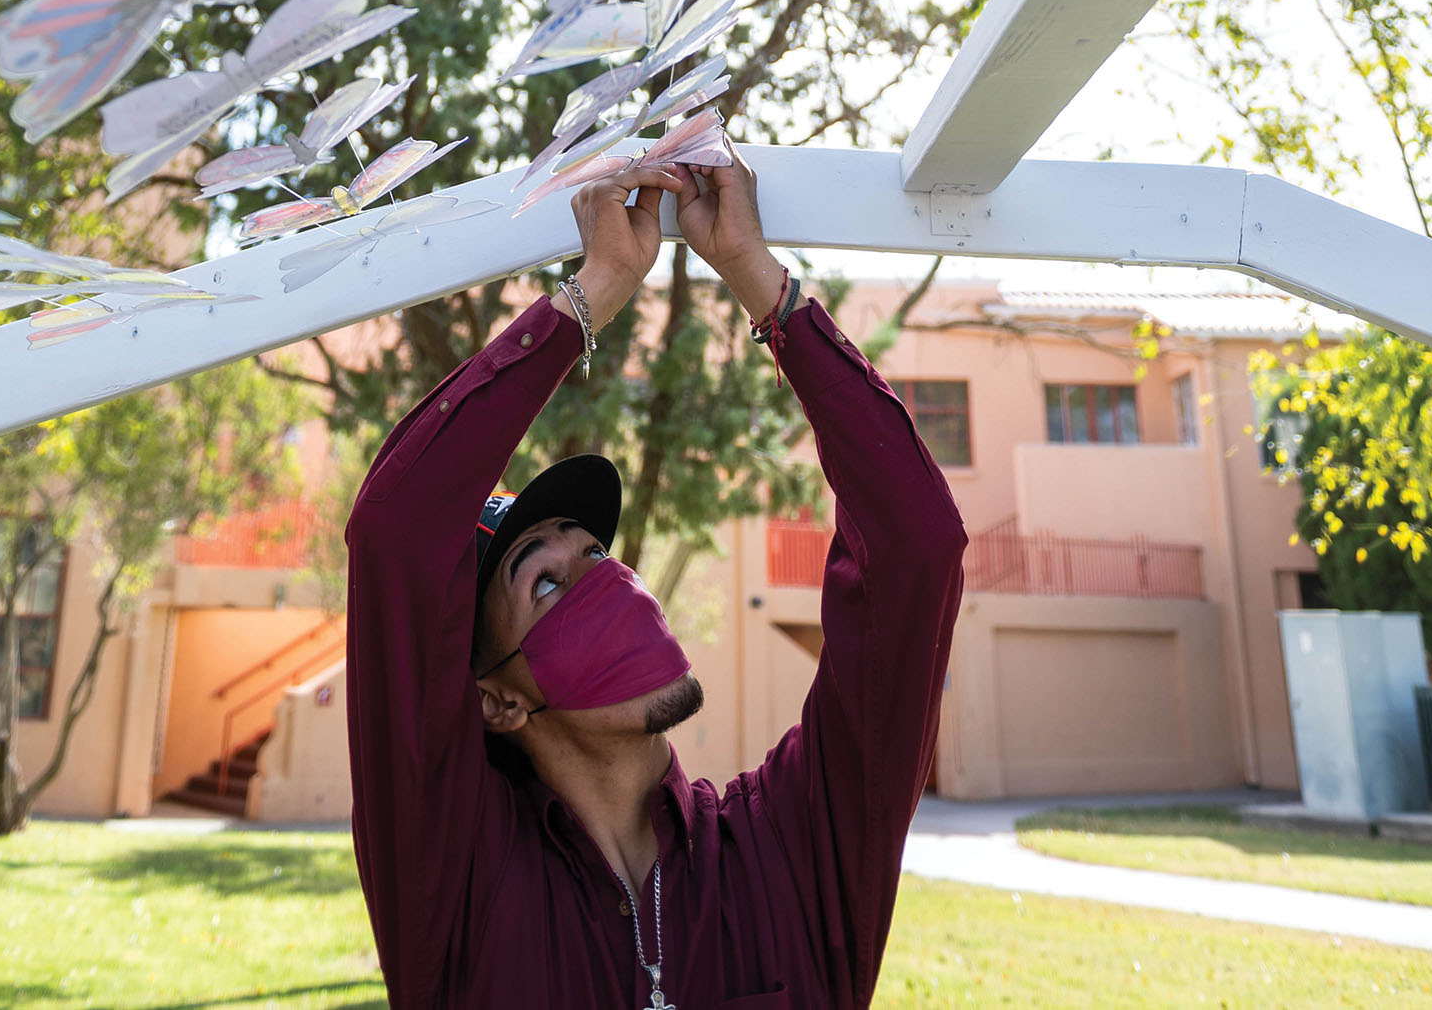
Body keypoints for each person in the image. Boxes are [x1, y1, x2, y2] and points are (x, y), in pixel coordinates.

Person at [344, 149, 968, 1009]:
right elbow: (397, 535)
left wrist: (761, 286)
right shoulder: (454, 876)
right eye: (549, 585)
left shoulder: (793, 844)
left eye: (596, 554)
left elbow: (916, 549)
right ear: (498, 699)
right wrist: (590, 294)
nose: (606, 582)